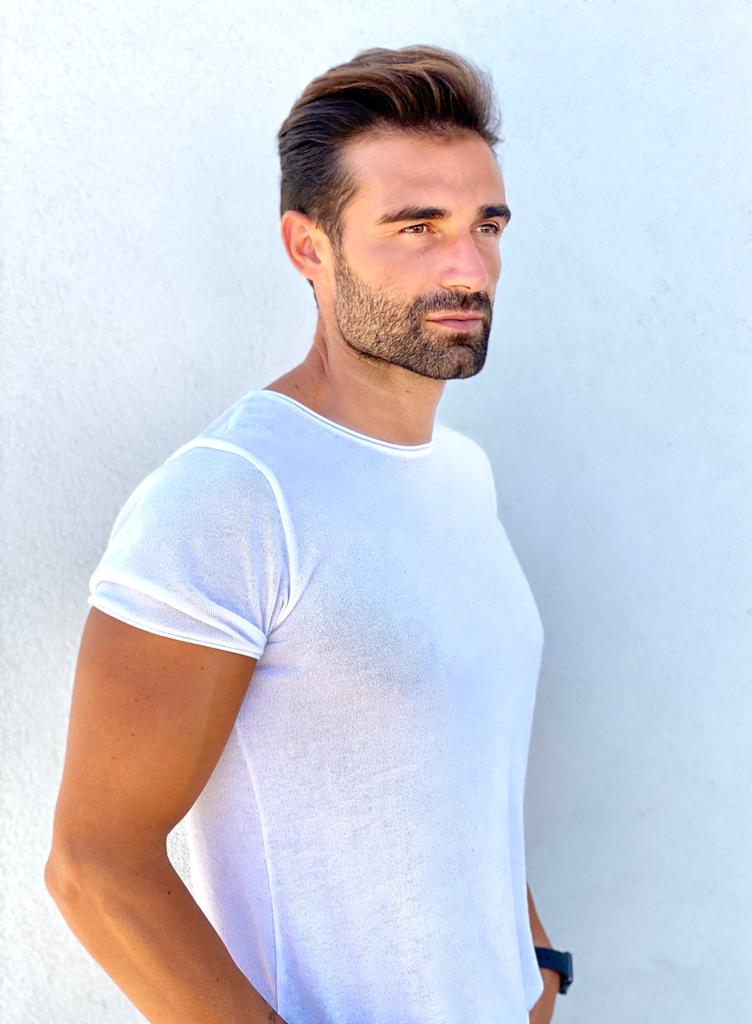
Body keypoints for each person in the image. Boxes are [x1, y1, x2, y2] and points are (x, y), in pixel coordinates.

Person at [44, 44, 569, 1024]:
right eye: (417, 226)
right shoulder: (233, 496)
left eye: (486, 225)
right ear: (308, 247)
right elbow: (96, 863)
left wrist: (537, 965)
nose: (469, 267)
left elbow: (462, 766)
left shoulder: (462, 474)